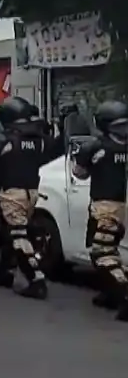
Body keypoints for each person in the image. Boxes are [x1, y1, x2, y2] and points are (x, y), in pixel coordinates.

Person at [0, 96, 54, 299]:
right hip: (32, 191)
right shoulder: (40, 139)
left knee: (18, 235)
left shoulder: (5, 138)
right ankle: (6, 272)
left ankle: (36, 280)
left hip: (11, 192)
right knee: (11, 231)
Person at [72, 100, 127, 321]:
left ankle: (123, 291)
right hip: (120, 205)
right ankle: (110, 294)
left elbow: (79, 173)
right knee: (109, 249)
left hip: (104, 206)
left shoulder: (97, 146)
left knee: (102, 253)